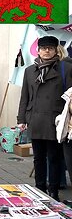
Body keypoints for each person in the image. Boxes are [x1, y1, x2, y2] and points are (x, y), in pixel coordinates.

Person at [18, 36, 72, 201]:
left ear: (56, 50)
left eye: (50, 48)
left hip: (55, 120)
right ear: (38, 50)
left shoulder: (66, 68)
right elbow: (24, 96)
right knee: (38, 157)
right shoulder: (29, 71)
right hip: (35, 119)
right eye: (43, 48)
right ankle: (39, 188)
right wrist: (21, 119)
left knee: (54, 158)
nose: (46, 51)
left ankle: (53, 190)